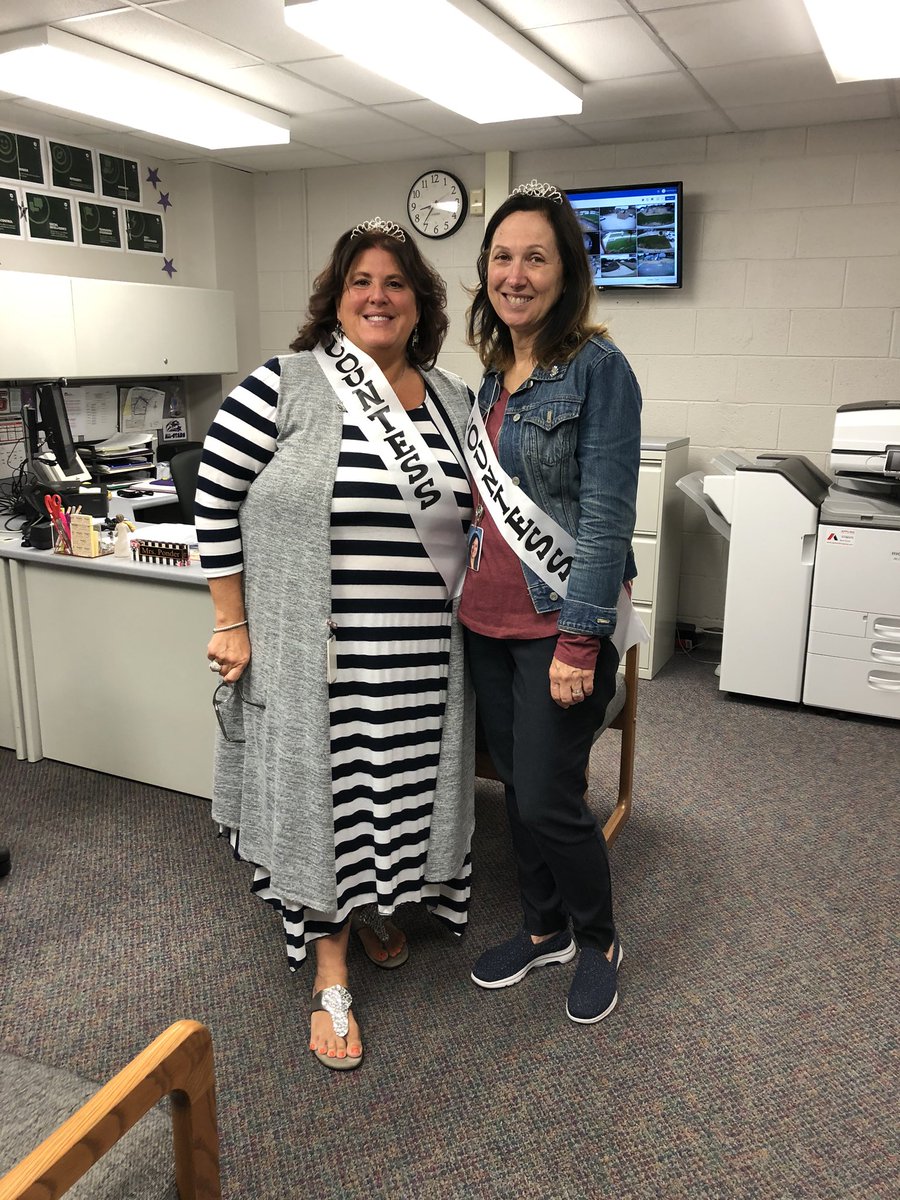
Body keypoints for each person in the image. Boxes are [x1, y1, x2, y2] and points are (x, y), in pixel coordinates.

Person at [195, 217, 475, 1070]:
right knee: (332, 803)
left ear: (419, 303)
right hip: (322, 661)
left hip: (425, 658)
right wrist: (230, 619)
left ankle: (381, 904)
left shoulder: (455, 400)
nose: (378, 296)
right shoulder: (284, 384)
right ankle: (329, 968)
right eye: (362, 281)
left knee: (396, 795)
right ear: (337, 297)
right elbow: (214, 500)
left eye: (395, 283)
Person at [460, 180, 644, 1024]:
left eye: (537, 256)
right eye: (503, 256)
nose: (516, 273)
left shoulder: (600, 371)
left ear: (568, 271)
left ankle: (598, 935)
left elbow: (606, 520)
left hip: (554, 625)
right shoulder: (493, 377)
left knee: (545, 798)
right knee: (513, 794)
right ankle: (543, 931)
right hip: (486, 622)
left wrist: (579, 643)